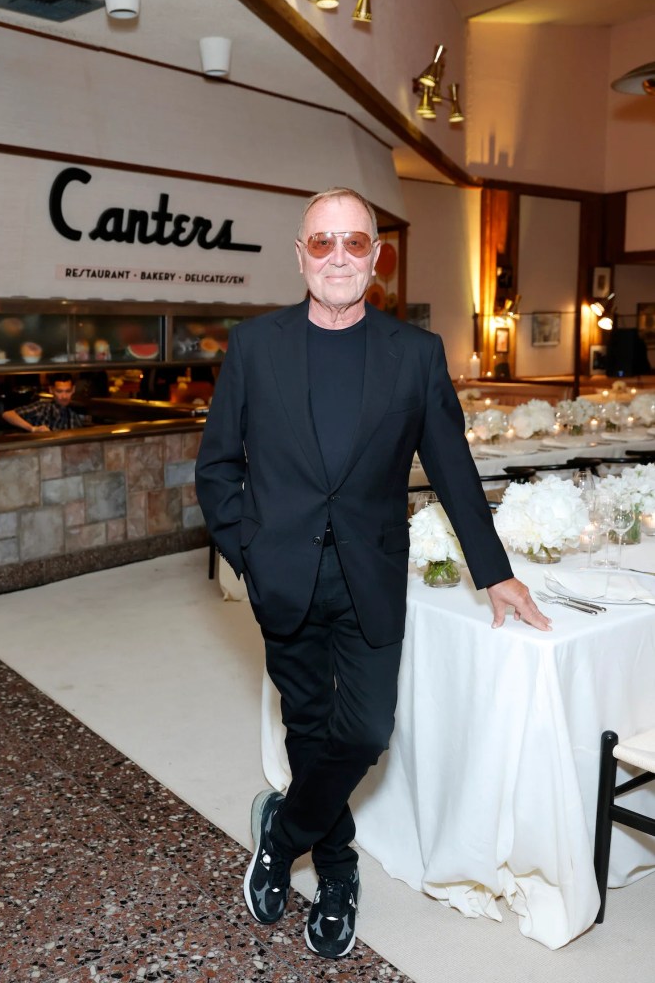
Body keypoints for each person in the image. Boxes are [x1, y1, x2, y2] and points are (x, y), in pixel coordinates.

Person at [194, 186, 551, 961]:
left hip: (369, 574)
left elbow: (452, 467)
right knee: (307, 729)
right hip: (282, 573)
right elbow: (217, 465)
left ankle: (282, 832)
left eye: (353, 242)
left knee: (361, 730)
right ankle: (338, 867)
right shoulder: (255, 346)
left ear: (375, 258)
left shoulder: (414, 354)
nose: (337, 258)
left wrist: (494, 573)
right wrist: (246, 550)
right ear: (299, 256)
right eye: (320, 243)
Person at [1, 373, 86, 433]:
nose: (64, 396)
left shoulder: (74, 415)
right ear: (51, 390)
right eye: (59, 391)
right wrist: (32, 429)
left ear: (73, 390)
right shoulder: (42, 408)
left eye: (68, 391)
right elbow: (8, 415)